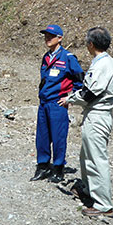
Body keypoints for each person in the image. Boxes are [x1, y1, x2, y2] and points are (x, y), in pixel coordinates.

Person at [58, 26, 113, 217]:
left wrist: (69, 99)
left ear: (91, 44)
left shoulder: (104, 65)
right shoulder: (105, 62)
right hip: (93, 114)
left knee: (96, 159)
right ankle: (88, 189)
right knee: (86, 156)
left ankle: (103, 204)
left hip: (98, 114)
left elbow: (89, 93)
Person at [30, 24, 84, 183]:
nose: (47, 38)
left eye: (51, 36)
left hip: (57, 104)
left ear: (60, 38)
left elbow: (80, 80)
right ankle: (43, 166)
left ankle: (58, 168)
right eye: (46, 35)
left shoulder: (68, 58)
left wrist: (70, 98)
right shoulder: (46, 57)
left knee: (58, 137)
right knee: (42, 136)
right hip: (44, 103)